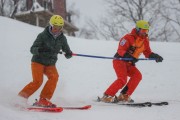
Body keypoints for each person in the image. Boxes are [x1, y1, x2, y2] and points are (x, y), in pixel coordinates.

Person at [100, 20, 163, 103]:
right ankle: (107, 96)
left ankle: (124, 95)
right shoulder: (128, 37)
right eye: (143, 30)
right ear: (137, 29)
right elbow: (120, 50)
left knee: (137, 76)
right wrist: (129, 57)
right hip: (120, 60)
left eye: (146, 31)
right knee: (122, 79)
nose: (144, 33)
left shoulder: (145, 41)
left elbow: (147, 52)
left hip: (130, 63)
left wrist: (154, 56)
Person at [18, 15, 73, 107]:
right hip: (38, 61)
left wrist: (69, 54)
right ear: (51, 25)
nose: (57, 29)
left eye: (59, 27)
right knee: (38, 81)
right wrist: (39, 50)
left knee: (54, 77)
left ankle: (43, 99)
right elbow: (32, 49)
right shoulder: (43, 36)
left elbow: (67, 51)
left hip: (50, 64)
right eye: (55, 27)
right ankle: (20, 98)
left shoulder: (62, 38)